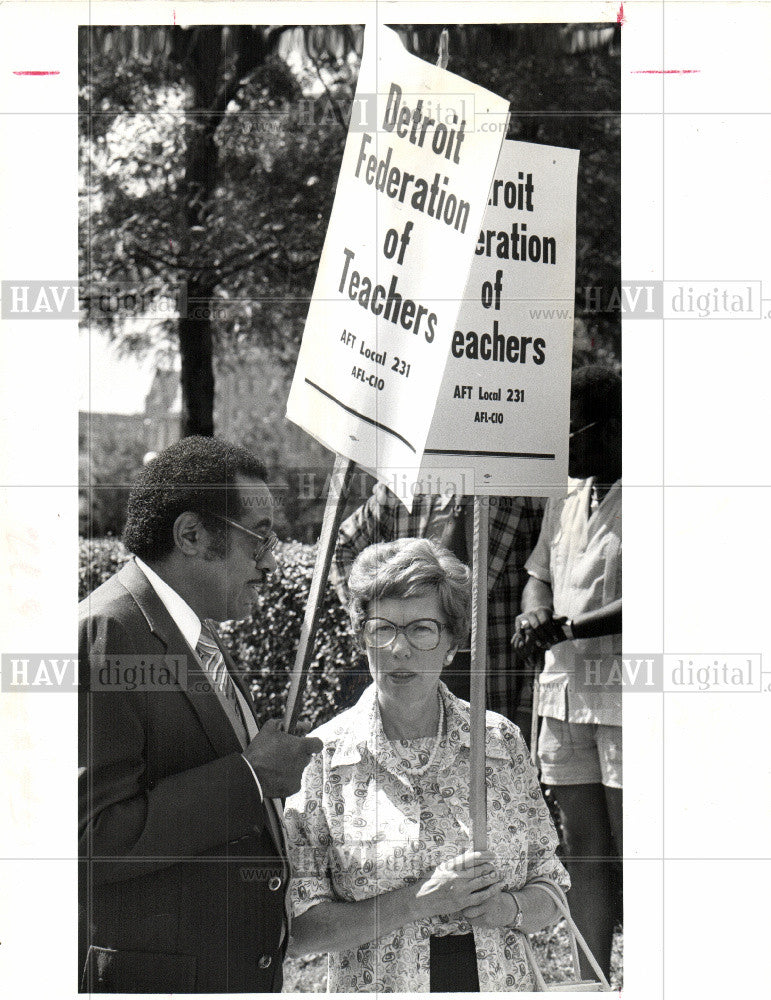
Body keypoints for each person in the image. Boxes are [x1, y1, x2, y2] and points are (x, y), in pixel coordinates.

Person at [78, 437, 323, 993]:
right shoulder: (109, 632)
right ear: (191, 535)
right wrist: (253, 777)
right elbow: (92, 839)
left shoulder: (192, 627)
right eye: (259, 536)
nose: (270, 558)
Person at [285, 538, 569, 992]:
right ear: (363, 638)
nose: (399, 649)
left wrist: (507, 909)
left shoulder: (497, 741)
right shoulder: (322, 757)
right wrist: (419, 901)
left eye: (422, 629)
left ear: (452, 643)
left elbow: (552, 889)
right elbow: (300, 930)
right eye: (382, 629)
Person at [514, 365, 622, 980]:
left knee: (637, 851)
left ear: (611, 427)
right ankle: (591, 980)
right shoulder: (566, 494)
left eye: (573, 432)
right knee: (584, 852)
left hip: (629, 704)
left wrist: (572, 628)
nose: (565, 447)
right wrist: (536, 616)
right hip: (564, 697)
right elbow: (541, 576)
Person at [330, 486, 545, 732]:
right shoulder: (403, 491)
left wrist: (528, 703)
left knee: (482, 753)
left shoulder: (524, 500)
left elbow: (542, 582)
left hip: (490, 668)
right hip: (407, 656)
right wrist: (369, 616)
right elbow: (339, 544)